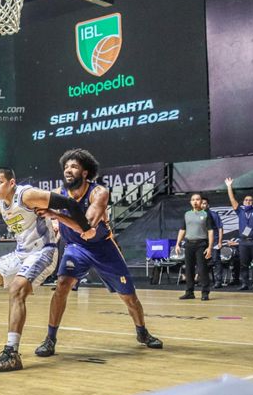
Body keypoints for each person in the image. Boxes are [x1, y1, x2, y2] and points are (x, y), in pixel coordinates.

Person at [34, 149, 163, 356]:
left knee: (128, 296)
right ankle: (50, 339)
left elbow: (86, 226)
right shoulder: (59, 193)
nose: (68, 170)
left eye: (74, 166)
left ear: (85, 173)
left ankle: (142, 332)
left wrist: (55, 215)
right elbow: (36, 206)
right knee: (62, 286)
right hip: (75, 248)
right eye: (66, 166)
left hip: (103, 247)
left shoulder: (98, 192)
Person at [0, 168, 95, 372]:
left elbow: (67, 202)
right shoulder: (1, 206)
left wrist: (85, 228)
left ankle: (11, 353)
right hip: (21, 253)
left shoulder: (26, 195)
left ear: (12, 183)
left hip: (44, 251)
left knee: (16, 289)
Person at [225, 178, 253, 291]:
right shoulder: (240, 211)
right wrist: (229, 186)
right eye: (246, 200)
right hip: (243, 242)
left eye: (250, 200)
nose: (248, 201)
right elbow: (232, 199)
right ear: (243, 202)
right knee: (244, 265)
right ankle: (244, 284)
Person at [176, 194, 213, 300]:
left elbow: (210, 231)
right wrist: (177, 243)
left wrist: (210, 247)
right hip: (188, 244)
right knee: (189, 269)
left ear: (201, 201)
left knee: (202, 269)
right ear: (190, 202)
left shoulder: (206, 214)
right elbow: (182, 229)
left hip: (201, 244)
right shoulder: (187, 214)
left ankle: (205, 292)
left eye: (197, 199)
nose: (195, 201)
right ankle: (189, 292)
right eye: (193, 200)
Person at [201, 197, 224, 288]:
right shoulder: (197, 215)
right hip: (203, 242)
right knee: (202, 261)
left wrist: (219, 242)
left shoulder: (213, 214)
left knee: (216, 261)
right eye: (201, 203)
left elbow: (220, 228)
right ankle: (203, 280)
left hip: (214, 241)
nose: (203, 205)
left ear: (208, 205)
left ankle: (218, 281)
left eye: (205, 203)